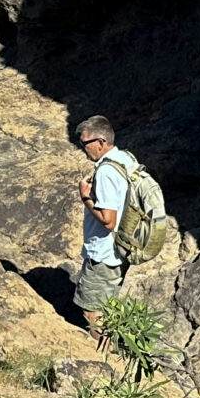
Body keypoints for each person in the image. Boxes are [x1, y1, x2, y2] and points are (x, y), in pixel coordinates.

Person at [72, 115, 140, 320]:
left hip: (104, 253)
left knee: (92, 312)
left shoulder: (106, 171)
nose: (83, 148)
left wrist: (85, 196)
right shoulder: (126, 158)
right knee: (109, 307)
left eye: (85, 143)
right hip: (123, 245)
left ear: (101, 142)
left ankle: (103, 351)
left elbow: (108, 220)